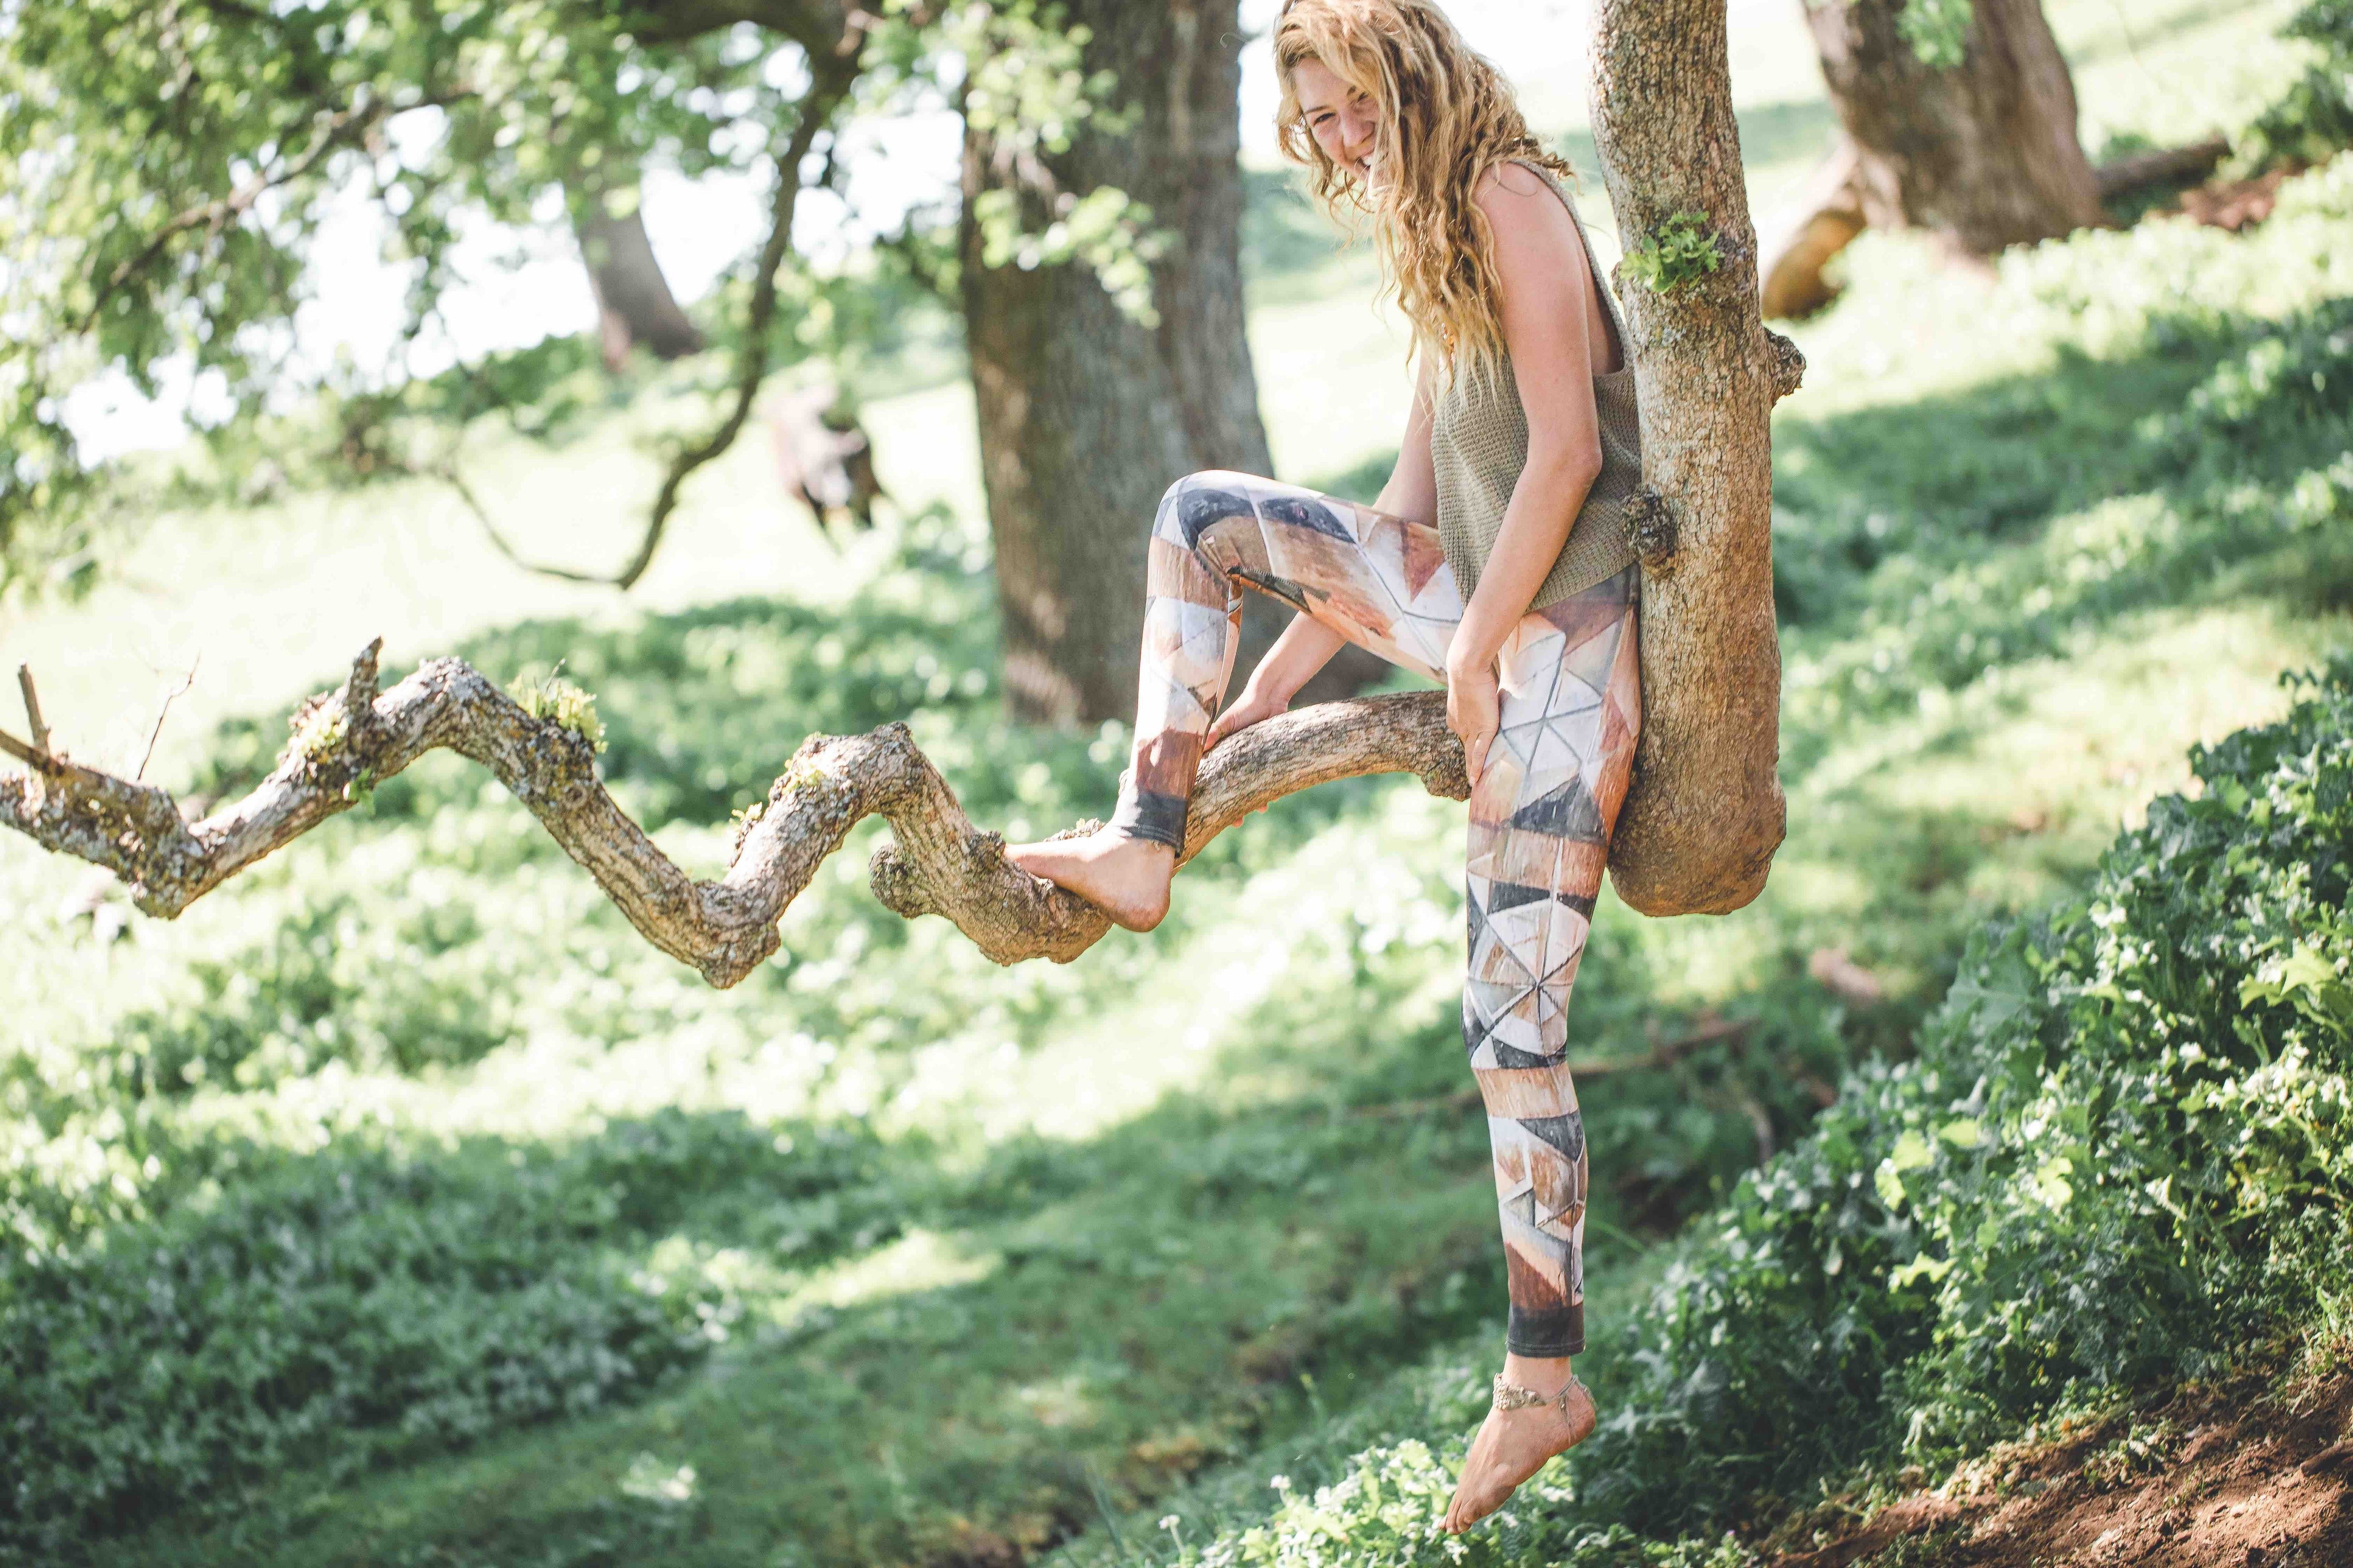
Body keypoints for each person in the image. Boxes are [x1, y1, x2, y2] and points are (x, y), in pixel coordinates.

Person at [1005, 0, 1643, 1533]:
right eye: (1321, 123)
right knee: (1199, 513)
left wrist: (1479, 655)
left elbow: (1565, 455)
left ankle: (1544, 1374)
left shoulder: (1508, 197)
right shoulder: (1435, 242)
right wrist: (1251, 711)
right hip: (1490, 608)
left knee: (1512, 1023)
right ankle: (1141, 830)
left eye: (1356, 108)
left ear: (1412, 74)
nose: (1343, 143)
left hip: (1571, 641)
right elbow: (1402, 515)